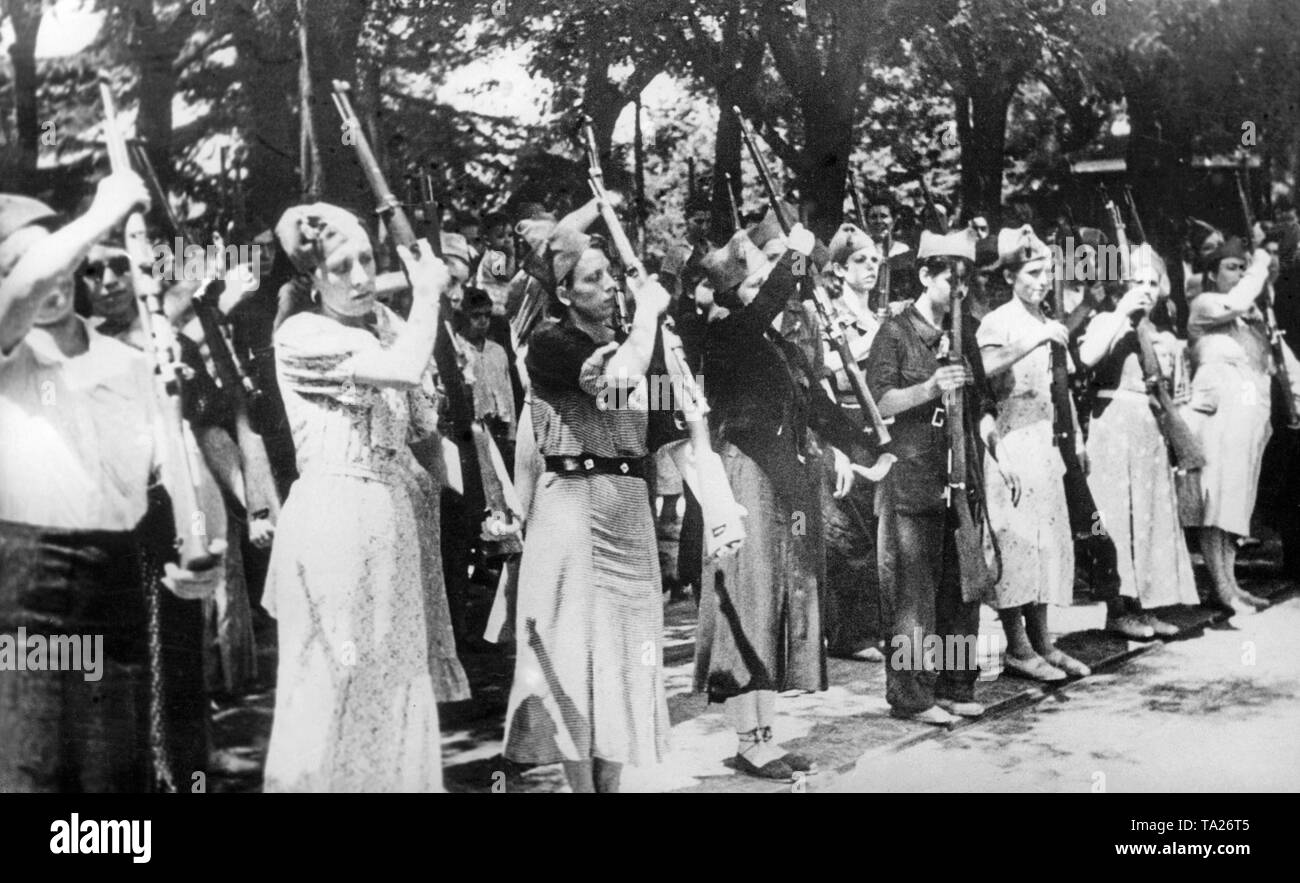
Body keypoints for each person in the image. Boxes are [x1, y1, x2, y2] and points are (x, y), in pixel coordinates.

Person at [0, 179, 223, 792]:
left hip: (117, 579)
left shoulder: (130, 363)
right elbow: (16, 297)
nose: (48, 278)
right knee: (34, 769)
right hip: (26, 589)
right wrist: (103, 210)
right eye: (16, 266)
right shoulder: (8, 356)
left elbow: (178, 468)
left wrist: (200, 550)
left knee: (115, 784)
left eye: (50, 259)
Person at [262, 203, 469, 792]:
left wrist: (415, 319)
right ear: (310, 279)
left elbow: (425, 424)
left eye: (367, 261)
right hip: (333, 520)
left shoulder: (377, 327)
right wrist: (425, 300)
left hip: (389, 519)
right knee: (332, 681)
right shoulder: (302, 335)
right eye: (340, 266)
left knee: (393, 679)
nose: (359, 277)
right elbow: (404, 370)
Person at [502, 200, 672, 794]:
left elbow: (669, 434)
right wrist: (650, 316)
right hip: (571, 508)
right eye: (591, 279)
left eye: (611, 275)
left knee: (625, 660)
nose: (608, 288)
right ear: (566, 293)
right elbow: (618, 381)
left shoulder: (639, 343)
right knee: (576, 663)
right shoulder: (550, 344)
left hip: (628, 514)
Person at [694, 223, 867, 779]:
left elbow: (816, 404)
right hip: (745, 480)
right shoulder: (727, 336)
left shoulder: (775, 343)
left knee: (776, 605)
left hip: (783, 481)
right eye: (753, 287)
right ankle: (748, 737)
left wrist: (867, 448)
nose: (768, 294)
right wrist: (796, 253)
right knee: (748, 601)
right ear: (731, 296)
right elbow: (764, 305)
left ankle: (765, 733)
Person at [865, 229, 995, 725]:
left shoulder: (969, 331)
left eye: (965, 281)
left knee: (961, 591)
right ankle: (912, 697)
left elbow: (984, 400)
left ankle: (956, 685)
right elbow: (879, 404)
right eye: (949, 279)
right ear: (924, 276)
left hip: (960, 476)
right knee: (911, 596)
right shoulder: (896, 332)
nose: (958, 290)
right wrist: (930, 386)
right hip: (912, 476)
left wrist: (989, 439)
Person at [978, 227, 1089, 681]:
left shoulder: (1049, 320)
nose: (1043, 281)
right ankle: (1017, 647)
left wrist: (1076, 437)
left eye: (1048, 273)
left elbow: (1060, 388)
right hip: (1009, 439)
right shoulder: (998, 322)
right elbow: (983, 371)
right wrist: (1035, 339)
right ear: (1010, 276)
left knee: (1046, 544)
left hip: (1045, 440)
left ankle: (1044, 641)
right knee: (1016, 543)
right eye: (1033, 272)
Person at [1077, 244, 1200, 635]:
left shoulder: (1155, 333)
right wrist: (1120, 313)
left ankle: (1145, 604)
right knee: (1115, 517)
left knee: (1148, 517)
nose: (1144, 289)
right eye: (1136, 281)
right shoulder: (1105, 322)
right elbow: (1088, 357)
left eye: (1151, 282)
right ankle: (1118, 609)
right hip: (1113, 427)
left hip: (1146, 429)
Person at [1186, 235, 1300, 615]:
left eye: (1241, 267)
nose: (1238, 275)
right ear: (1212, 275)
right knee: (1214, 505)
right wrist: (1261, 265)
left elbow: (1284, 367)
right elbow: (1235, 300)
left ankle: (1232, 583)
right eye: (1231, 268)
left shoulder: (1250, 320)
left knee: (1236, 507)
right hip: (1216, 421)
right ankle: (1221, 587)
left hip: (1249, 428)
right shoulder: (1205, 306)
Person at [821, 222, 887, 662]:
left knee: (882, 532)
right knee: (851, 534)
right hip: (847, 422)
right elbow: (826, 376)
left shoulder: (880, 316)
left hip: (885, 425)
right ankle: (851, 634)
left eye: (876, 262)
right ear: (840, 270)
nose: (871, 269)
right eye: (860, 262)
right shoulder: (830, 315)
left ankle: (879, 625)